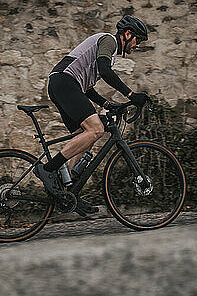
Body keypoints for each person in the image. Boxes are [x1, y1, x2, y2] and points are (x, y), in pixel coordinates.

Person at [34, 15, 150, 215]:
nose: (137, 45)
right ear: (128, 34)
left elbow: (87, 89)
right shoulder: (110, 41)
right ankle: (48, 168)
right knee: (96, 128)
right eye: (137, 40)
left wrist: (107, 104)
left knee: (84, 136)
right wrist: (130, 94)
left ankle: (69, 193)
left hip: (63, 84)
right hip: (65, 83)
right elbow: (105, 71)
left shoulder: (107, 51)